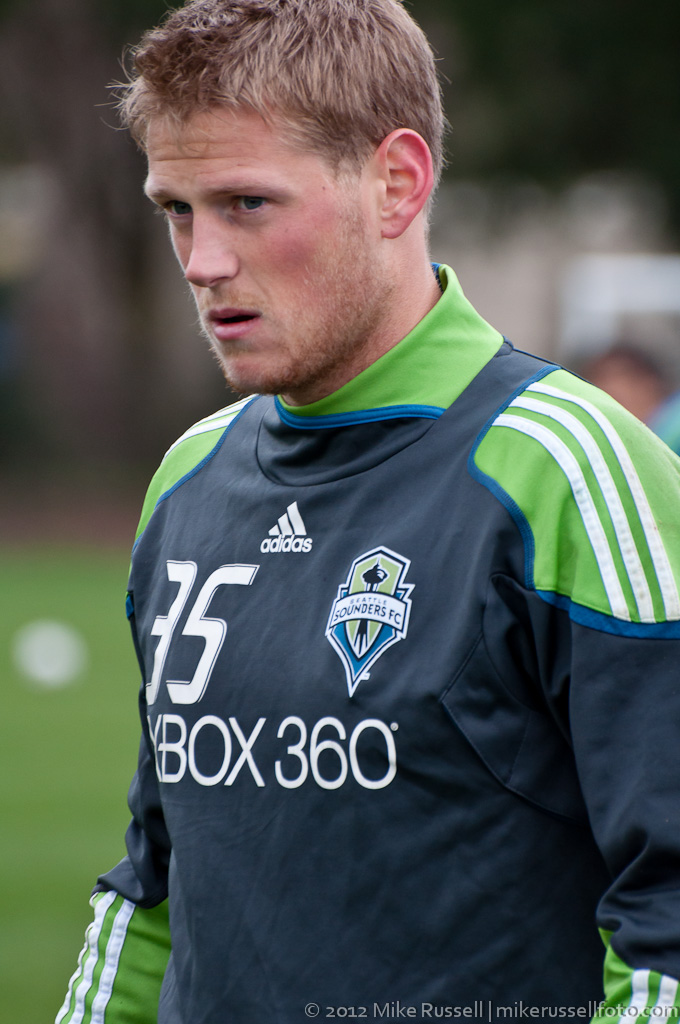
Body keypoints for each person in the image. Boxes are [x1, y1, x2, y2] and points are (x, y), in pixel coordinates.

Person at [56, 2, 680, 1021]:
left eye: (247, 203)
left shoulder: (568, 471)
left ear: (396, 182)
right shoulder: (189, 478)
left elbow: (668, 920)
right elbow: (159, 877)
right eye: (177, 209)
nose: (202, 260)